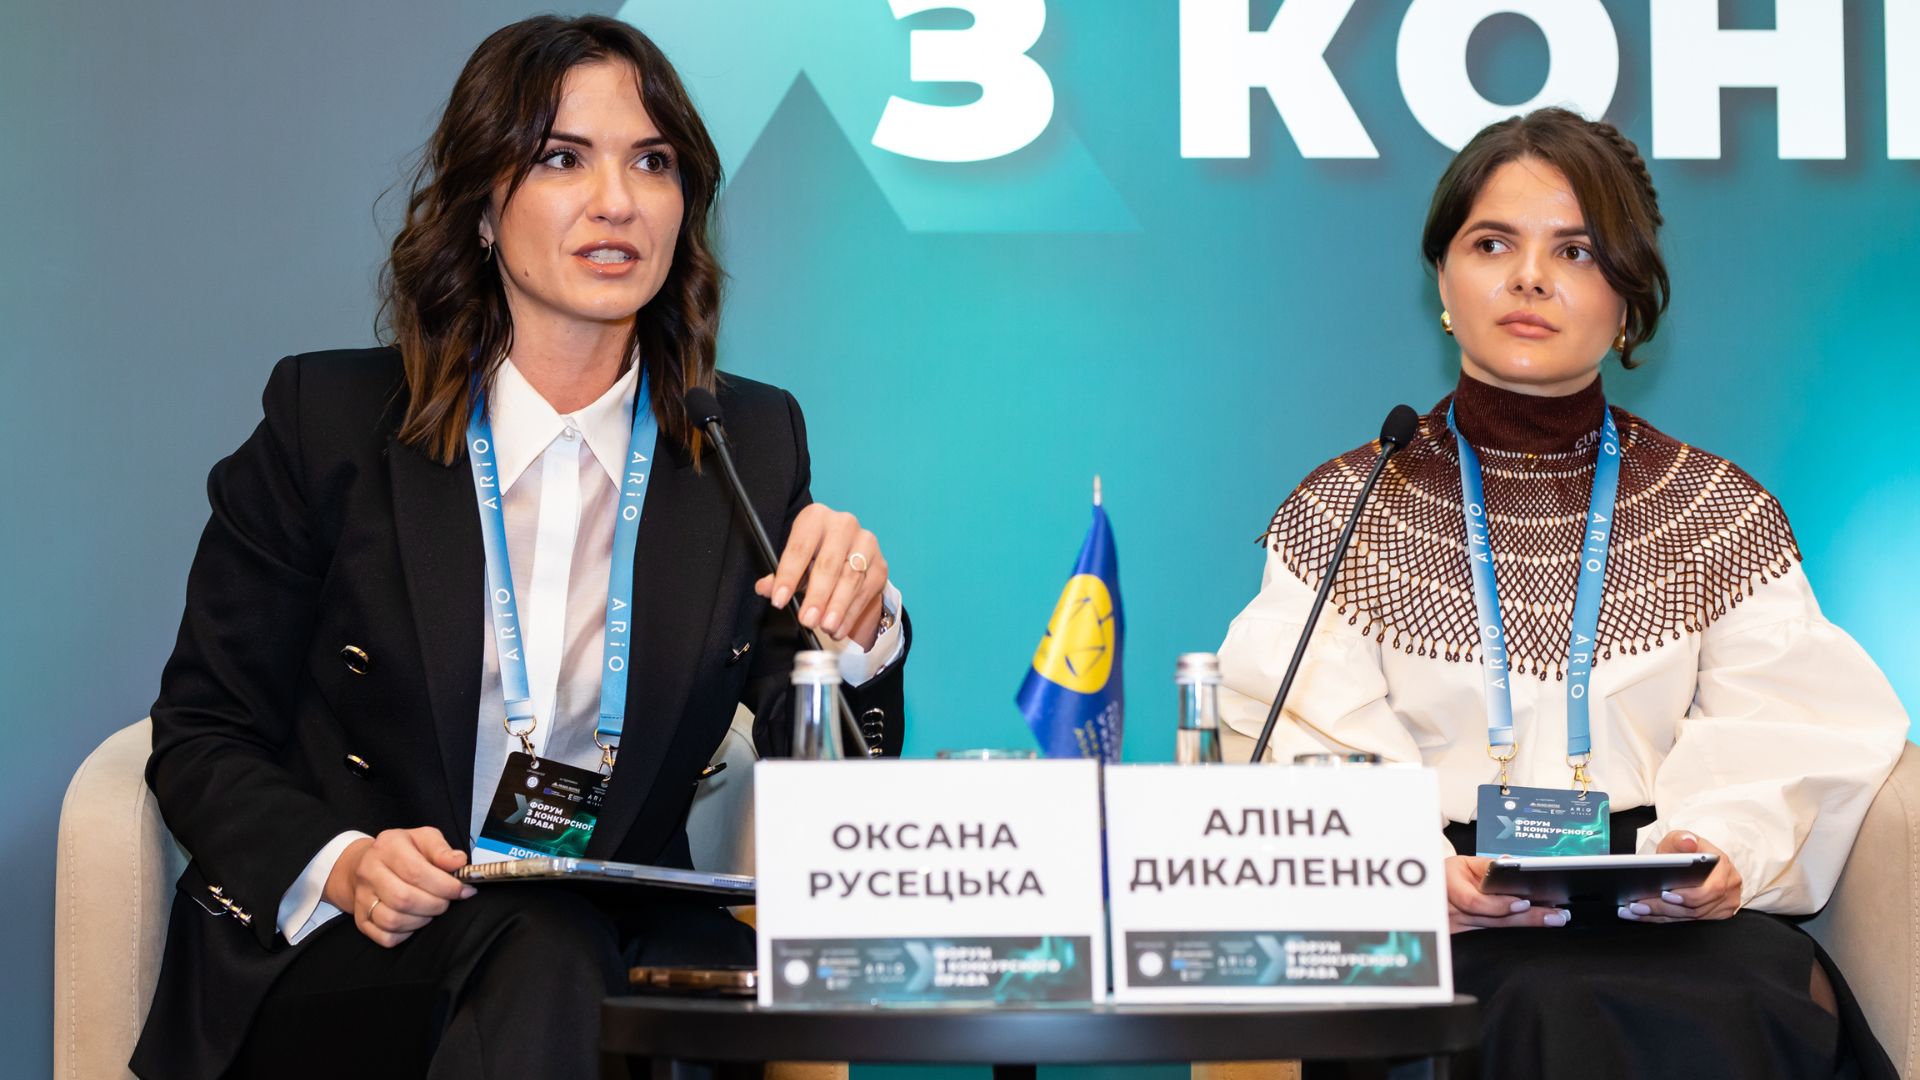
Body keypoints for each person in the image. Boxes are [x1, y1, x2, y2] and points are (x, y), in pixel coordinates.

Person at [130, 15, 909, 1079]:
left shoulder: (745, 442)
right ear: (484, 208)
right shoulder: (331, 422)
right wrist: (345, 864)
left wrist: (854, 639)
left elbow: (831, 780)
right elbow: (204, 732)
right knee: (549, 958)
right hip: (357, 957)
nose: (617, 201)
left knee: (624, 968)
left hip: (612, 941)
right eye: (561, 159)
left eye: (653, 162)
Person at [1214, 108, 1906, 1079]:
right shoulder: (1350, 507)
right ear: (1443, 281)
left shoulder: (1714, 509)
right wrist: (1414, 871)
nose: (1530, 277)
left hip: (1661, 901)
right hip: (1445, 904)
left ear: (1627, 300)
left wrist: (1720, 849)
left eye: (1574, 251)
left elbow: (1797, 726)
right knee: (1546, 999)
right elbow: (1299, 734)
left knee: (1757, 989)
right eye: (1492, 243)